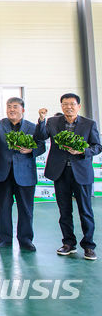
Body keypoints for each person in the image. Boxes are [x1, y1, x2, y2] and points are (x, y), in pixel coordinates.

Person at [35, 93, 102, 260]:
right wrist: (41, 120)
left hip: (81, 173)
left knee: (85, 211)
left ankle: (88, 246)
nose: (68, 107)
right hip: (61, 172)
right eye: (65, 104)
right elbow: (40, 137)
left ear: (78, 106)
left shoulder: (89, 124)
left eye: (72, 104)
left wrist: (83, 151)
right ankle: (68, 243)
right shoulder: (52, 122)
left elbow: (97, 147)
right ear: (61, 106)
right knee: (64, 211)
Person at [0, 97, 45, 251]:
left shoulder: (32, 127)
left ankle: (26, 240)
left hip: (25, 175)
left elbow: (41, 146)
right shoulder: (0, 125)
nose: (11, 110)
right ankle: (4, 239)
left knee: (26, 210)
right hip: (3, 174)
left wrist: (31, 150)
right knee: (4, 208)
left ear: (23, 110)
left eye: (15, 107)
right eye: (9, 107)